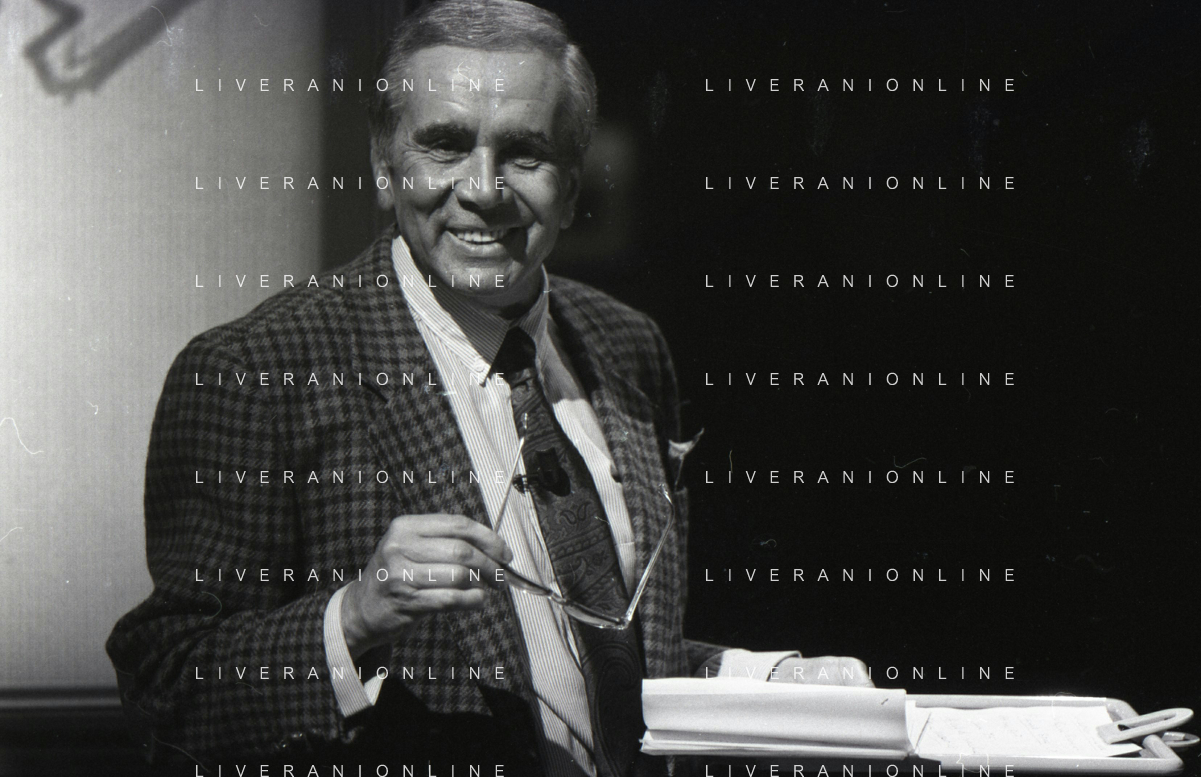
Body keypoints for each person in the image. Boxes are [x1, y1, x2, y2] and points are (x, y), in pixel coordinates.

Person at [107, 1, 869, 774]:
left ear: (571, 185)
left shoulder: (627, 346)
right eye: (444, 145)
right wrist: (353, 616)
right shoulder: (258, 370)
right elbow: (168, 687)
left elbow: (599, 658)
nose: (482, 189)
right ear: (383, 168)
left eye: (524, 153)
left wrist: (765, 678)